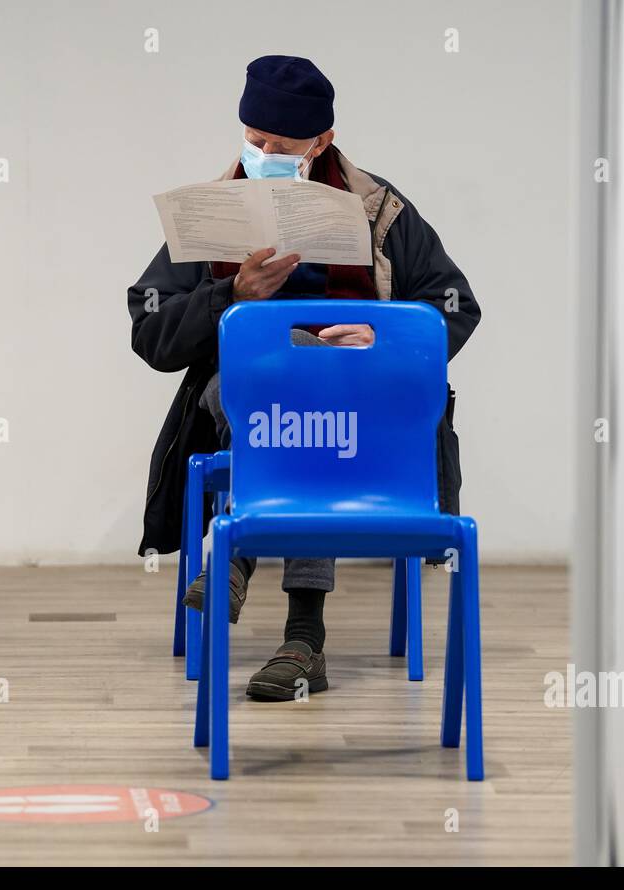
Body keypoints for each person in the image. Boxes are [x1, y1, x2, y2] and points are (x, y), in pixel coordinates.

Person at [127, 54, 480, 700]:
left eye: (281, 147)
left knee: (313, 397)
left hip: (359, 412)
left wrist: (381, 335)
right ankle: (304, 638)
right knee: (287, 391)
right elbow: (149, 329)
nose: (263, 154)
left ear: (323, 142)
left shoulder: (379, 210)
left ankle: (237, 558)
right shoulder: (210, 215)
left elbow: (455, 304)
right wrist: (230, 294)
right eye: (254, 140)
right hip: (237, 400)